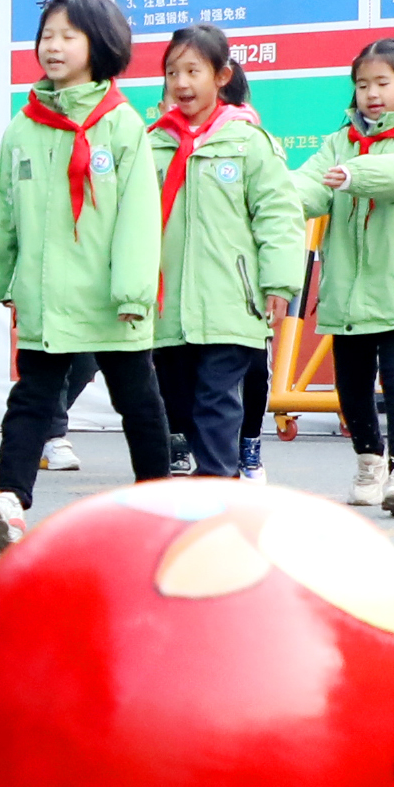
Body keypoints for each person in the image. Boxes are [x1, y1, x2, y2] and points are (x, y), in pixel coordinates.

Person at [0, 0, 170, 552]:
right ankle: (9, 502)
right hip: (47, 299)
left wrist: (132, 290)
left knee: (139, 401)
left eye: (68, 35)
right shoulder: (24, 128)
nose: (53, 45)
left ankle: (160, 501)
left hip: (112, 300)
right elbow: (0, 217)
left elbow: (140, 218)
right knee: (32, 399)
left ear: (101, 45)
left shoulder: (121, 126)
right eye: (47, 35)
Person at [147, 24, 303, 480]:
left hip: (231, 302)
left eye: (193, 70)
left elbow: (278, 216)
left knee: (217, 397)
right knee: (176, 398)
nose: (181, 83)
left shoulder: (250, 144)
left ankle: (217, 484)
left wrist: (279, 283)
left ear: (221, 76)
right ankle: (207, 481)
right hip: (167, 306)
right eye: (172, 72)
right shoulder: (150, 143)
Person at [298, 37, 394, 518]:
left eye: (382, 83)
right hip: (346, 290)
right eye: (363, 85)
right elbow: (310, 185)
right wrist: (270, 194)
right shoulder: (339, 140)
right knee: (351, 384)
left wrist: (351, 173)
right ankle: (369, 461)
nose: (371, 93)